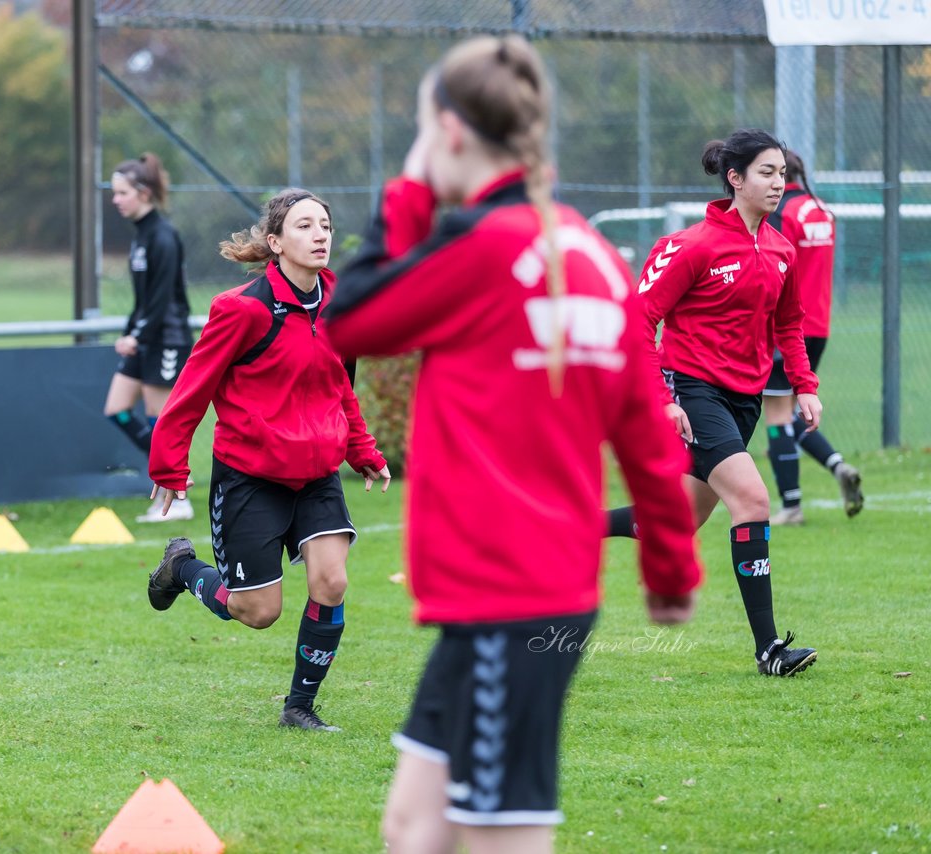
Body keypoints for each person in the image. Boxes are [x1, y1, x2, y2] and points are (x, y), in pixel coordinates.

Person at [323, 36, 702, 854]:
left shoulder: (485, 248)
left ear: (449, 134)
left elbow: (349, 319)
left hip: (511, 597)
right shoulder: (593, 254)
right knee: (414, 825)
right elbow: (645, 434)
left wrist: (405, 190)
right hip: (513, 598)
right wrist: (668, 567)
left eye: (425, 134)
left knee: (503, 833)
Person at [144, 187, 391, 732]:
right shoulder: (242, 310)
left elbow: (340, 388)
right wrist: (169, 466)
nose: (320, 234)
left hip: (317, 476)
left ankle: (299, 707)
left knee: (332, 581)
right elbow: (192, 390)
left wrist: (362, 451)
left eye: (324, 224)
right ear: (276, 242)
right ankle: (182, 566)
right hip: (250, 478)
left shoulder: (339, 306)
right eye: (304, 226)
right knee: (258, 613)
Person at [606, 129, 821, 678]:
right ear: (736, 179)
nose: (778, 183)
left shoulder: (780, 249)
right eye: (766, 173)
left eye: (782, 173)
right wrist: (662, 399)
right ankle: (769, 650)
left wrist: (805, 385)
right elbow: (637, 322)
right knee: (751, 499)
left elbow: (790, 324)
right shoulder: (691, 245)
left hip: (744, 400)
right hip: (692, 389)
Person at [763, 149, 862, 525]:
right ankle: (837, 467)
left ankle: (791, 505)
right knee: (793, 413)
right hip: (819, 324)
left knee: (777, 416)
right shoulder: (821, 209)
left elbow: (774, 265)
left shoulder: (781, 213)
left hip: (786, 327)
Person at [102, 153, 195, 523]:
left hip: (166, 339)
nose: (116, 200)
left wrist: (137, 336)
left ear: (142, 193)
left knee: (161, 421)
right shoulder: (141, 237)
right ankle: (167, 480)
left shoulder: (163, 236)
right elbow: (142, 300)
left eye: (121, 192)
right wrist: (130, 332)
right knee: (117, 410)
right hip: (144, 337)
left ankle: (178, 497)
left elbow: (161, 300)